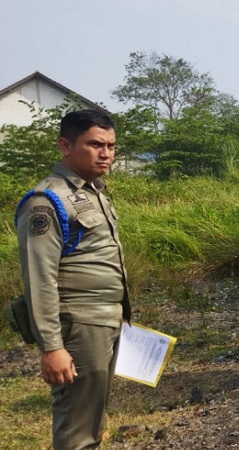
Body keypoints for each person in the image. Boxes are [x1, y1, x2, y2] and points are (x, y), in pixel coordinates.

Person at [15, 109, 131, 450]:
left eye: (110, 145)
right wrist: (52, 347)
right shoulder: (46, 201)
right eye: (95, 144)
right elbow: (39, 279)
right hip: (79, 323)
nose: (106, 153)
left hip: (105, 320)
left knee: (91, 415)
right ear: (65, 146)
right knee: (76, 427)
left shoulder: (93, 192)